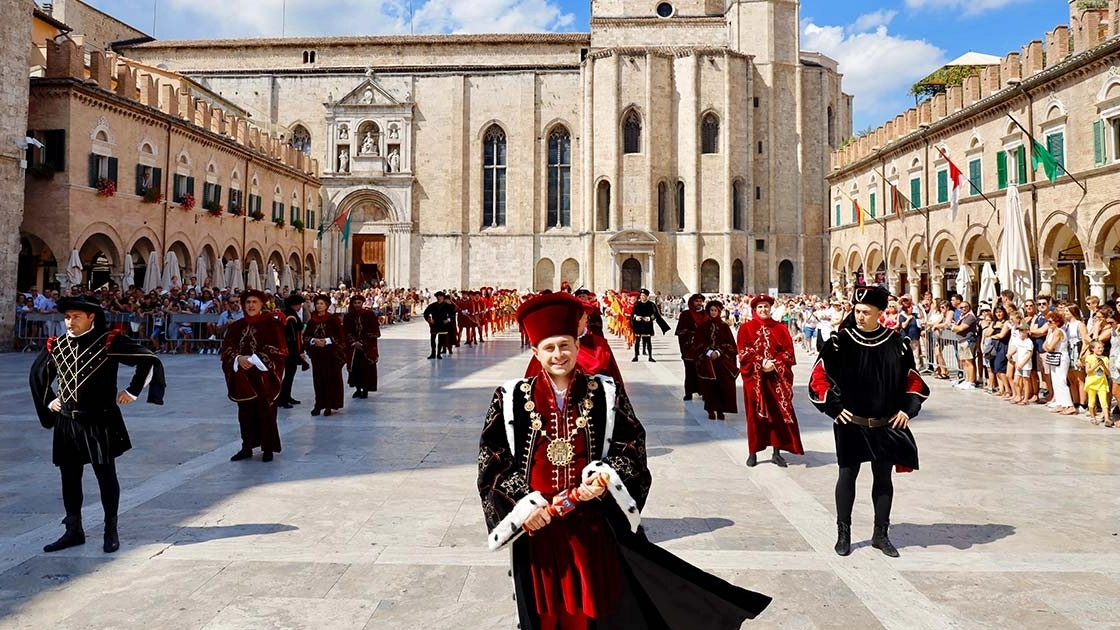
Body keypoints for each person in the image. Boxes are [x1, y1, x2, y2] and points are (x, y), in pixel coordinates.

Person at [478, 292, 771, 629]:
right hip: (538, 530)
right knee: (546, 615)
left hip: (590, 525)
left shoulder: (605, 392)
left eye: (565, 345)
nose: (558, 354)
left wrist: (605, 476)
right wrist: (522, 510)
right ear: (535, 352)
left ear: (577, 344)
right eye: (549, 347)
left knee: (597, 610)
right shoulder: (510, 398)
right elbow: (493, 461)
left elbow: (631, 445)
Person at [30, 295, 166, 554]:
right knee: (69, 477)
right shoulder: (56, 345)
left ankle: (110, 530)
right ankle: (73, 530)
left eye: (77, 317)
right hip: (67, 422)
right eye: (68, 317)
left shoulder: (108, 341)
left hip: (99, 420)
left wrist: (133, 390)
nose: (70, 322)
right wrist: (50, 401)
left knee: (105, 475)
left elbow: (147, 359)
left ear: (91, 317)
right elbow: (38, 374)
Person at [809, 285, 929, 559]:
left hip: (885, 423)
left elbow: (913, 379)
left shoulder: (896, 344)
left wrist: (907, 410)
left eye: (866, 312)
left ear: (879, 313)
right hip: (852, 424)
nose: (859, 316)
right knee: (847, 475)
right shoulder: (840, 343)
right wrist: (834, 407)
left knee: (883, 478)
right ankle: (843, 534)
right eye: (857, 311)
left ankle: (881, 534)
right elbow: (819, 378)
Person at [221, 290, 288, 462]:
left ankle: (268, 448)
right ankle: (247, 446)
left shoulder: (272, 325)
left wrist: (254, 359)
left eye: (254, 302)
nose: (251, 305)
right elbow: (227, 349)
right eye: (248, 302)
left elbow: (279, 349)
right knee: (245, 413)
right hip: (243, 377)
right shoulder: (236, 327)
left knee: (266, 411)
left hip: (263, 376)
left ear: (261, 304)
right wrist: (238, 358)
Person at [737, 294, 804, 467]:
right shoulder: (745, 328)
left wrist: (775, 363)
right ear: (755, 310)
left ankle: (776, 451)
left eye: (766, 306)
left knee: (777, 414)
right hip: (755, 380)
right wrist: (760, 362)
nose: (763, 310)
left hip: (775, 378)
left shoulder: (780, 328)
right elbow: (743, 352)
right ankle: (753, 452)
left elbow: (788, 352)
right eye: (760, 307)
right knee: (754, 416)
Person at [688, 300, 739, 421]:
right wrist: (709, 351)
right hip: (708, 361)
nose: (713, 312)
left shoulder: (724, 327)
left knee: (723, 385)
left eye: (715, 310)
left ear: (719, 312)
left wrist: (719, 352)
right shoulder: (703, 326)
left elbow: (730, 344)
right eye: (711, 310)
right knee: (709, 386)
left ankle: (721, 410)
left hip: (721, 361)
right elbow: (698, 343)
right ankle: (710, 409)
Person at [304, 294, 346, 416]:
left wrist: (327, 341)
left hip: (330, 354)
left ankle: (329, 405)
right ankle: (318, 404)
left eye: (321, 304)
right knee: (318, 380)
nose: (319, 306)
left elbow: (339, 336)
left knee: (330, 379)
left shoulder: (333, 319)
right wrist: (313, 341)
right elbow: (306, 336)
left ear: (326, 305)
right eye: (317, 304)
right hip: (317, 355)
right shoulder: (312, 320)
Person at [343, 294, 381, 399]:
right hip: (354, 348)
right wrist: (354, 342)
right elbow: (346, 331)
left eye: (359, 302)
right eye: (355, 303)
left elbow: (375, 331)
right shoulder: (348, 316)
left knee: (366, 369)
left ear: (362, 303)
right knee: (355, 369)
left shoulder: (369, 314)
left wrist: (363, 342)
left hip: (367, 347)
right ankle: (357, 389)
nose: (357, 305)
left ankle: (365, 389)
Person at [279, 292, 309, 409]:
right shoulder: (290, 316)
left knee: (290, 374)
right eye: (298, 305)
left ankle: (287, 396)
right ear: (293, 305)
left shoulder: (289, 314)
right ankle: (283, 398)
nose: (300, 307)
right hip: (290, 350)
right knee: (288, 375)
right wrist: (297, 351)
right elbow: (292, 336)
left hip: (290, 349)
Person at [675, 293, 705, 401]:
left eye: (700, 301)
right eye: (696, 301)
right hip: (690, 348)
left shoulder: (706, 314)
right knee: (690, 371)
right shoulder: (686, 314)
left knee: (703, 370)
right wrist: (684, 347)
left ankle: (703, 391)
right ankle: (688, 392)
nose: (699, 303)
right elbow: (680, 332)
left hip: (703, 348)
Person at [629, 288, 668, 362]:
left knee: (648, 341)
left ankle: (650, 356)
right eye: (641, 296)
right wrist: (636, 317)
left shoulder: (651, 304)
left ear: (647, 296)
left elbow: (655, 314)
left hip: (647, 325)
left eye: (643, 296)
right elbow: (633, 313)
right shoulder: (637, 304)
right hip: (639, 325)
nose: (642, 297)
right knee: (637, 341)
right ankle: (636, 356)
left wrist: (650, 318)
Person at [1083, 340, 1110, 425]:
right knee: (1092, 401)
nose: (1101, 349)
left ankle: (1106, 419)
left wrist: (1103, 365)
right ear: (1093, 349)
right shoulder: (1089, 358)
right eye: (1098, 348)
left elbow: (1108, 373)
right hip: (1092, 383)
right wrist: (1096, 365)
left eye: (1102, 347)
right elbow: (1087, 371)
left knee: (1103, 401)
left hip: (1102, 383)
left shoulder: (1105, 358)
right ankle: (1093, 417)